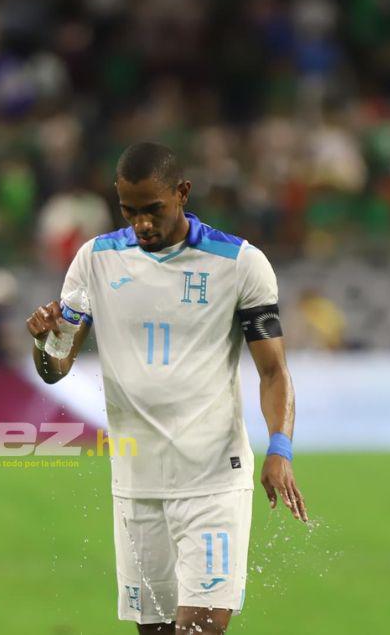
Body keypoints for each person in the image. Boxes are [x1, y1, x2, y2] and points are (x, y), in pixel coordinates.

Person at [25, 142, 307, 634]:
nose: (142, 225)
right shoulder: (95, 261)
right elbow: (55, 368)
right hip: (136, 485)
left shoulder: (239, 263)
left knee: (199, 631)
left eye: (153, 210)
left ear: (183, 193)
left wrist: (279, 448)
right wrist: (44, 341)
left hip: (214, 481)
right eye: (129, 211)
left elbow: (274, 372)